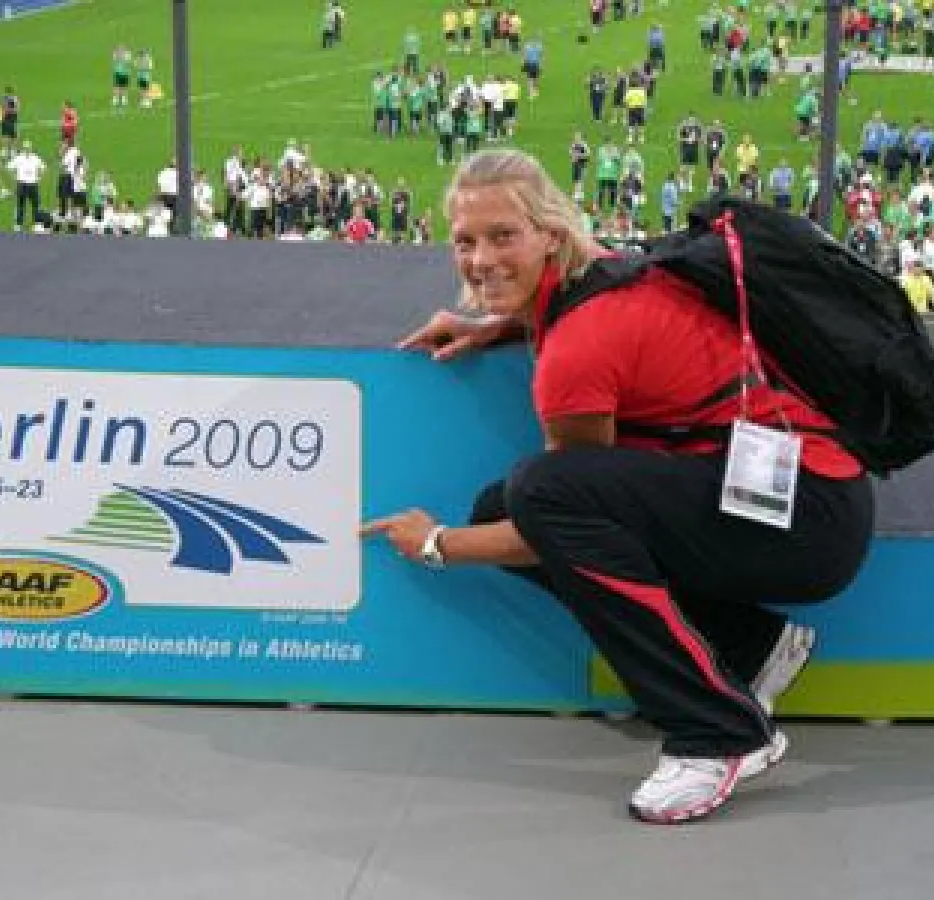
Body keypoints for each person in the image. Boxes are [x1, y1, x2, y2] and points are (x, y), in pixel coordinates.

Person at [360, 149, 874, 824]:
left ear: (549, 233)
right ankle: (751, 651)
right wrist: (498, 325)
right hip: (802, 491)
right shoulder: (599, 267)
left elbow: (558, 513)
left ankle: (718, 730)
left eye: (502, 236)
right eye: (465, 242)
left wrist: (436, 545)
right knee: (511, 501)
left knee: (541, 495)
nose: (480, 260)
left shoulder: (575, 351)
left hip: (808, 519)